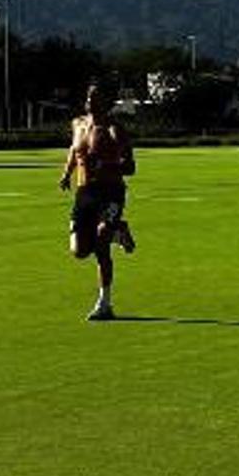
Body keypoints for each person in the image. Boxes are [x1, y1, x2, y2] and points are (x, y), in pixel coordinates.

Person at [59, 81, 136, 321]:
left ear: (106, 102)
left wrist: (107, 165)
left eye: (97, 97)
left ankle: (105, 303)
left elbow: (130, 167)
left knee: (101, 245)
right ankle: (118, 230)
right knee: (79, 251)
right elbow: (74, 150)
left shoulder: (114, 129)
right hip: (84, 193)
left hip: (110, 192)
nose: (91, 101)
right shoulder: (78, 124)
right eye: (89, 97)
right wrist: (66, 174)